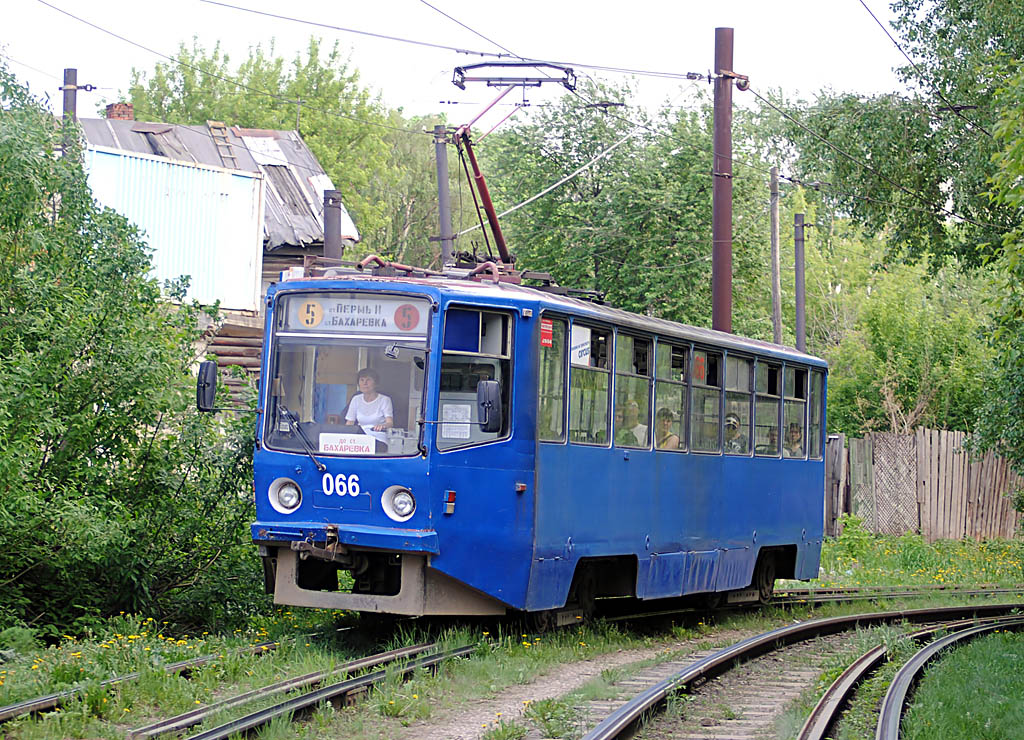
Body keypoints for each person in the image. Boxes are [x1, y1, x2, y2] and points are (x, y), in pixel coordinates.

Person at [345, 368, 393, 444]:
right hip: (359, 439)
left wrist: (382, 426)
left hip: (378, 439)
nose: (365, 383)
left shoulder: (384, 400)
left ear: (376, 383)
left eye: (368, 380)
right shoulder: (356, 399)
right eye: (362, 380)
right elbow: (350, 422)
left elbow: (390, 423)